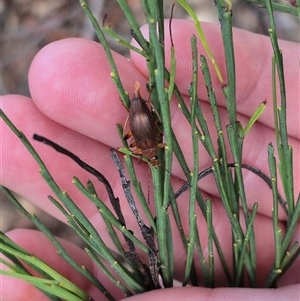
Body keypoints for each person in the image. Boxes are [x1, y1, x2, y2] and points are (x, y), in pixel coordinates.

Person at [1, 20, 299, 300]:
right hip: (140, 118)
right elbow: (148, 131)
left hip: (140, 119)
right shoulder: (150, 143)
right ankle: (135, 100)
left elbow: (146, 131)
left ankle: (136, 100)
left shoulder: (148, 144)